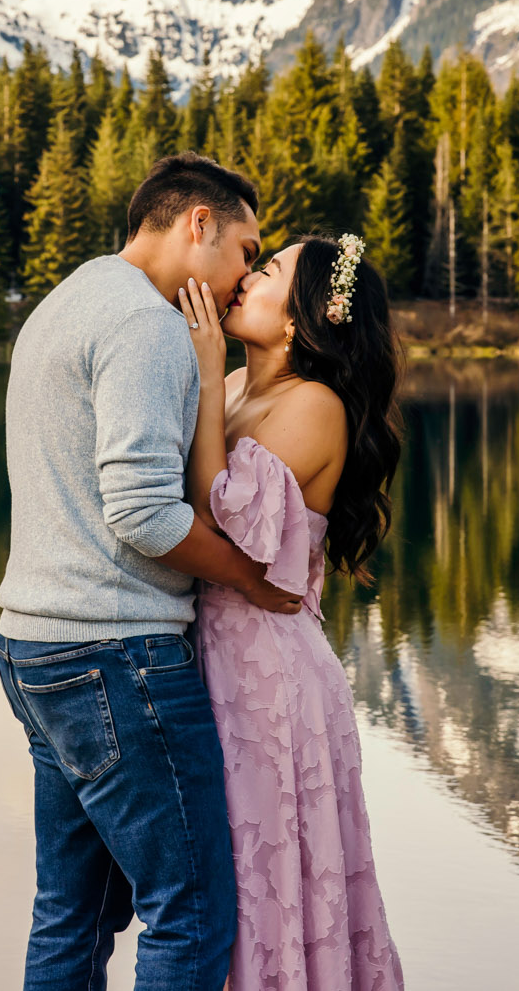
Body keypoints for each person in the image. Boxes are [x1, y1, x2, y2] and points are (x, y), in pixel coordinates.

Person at [0, 153, 304, 991]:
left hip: (33, 646)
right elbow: (142, 513)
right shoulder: (145, 325)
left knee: (72, 917)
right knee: (192, 912)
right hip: (115, 656)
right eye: (245, 249)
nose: (245, 273)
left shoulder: (74, 297)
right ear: (197, 225)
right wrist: (247, 575)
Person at [176, 232, 407, 990]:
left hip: (271, 686)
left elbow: (216, 520)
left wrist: (209, 376)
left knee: (264, 889)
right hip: (217, 666)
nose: (244, 277)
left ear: (298, 318)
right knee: (219, 888)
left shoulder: (316, 405)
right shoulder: (244, 391)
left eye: (267, 271)